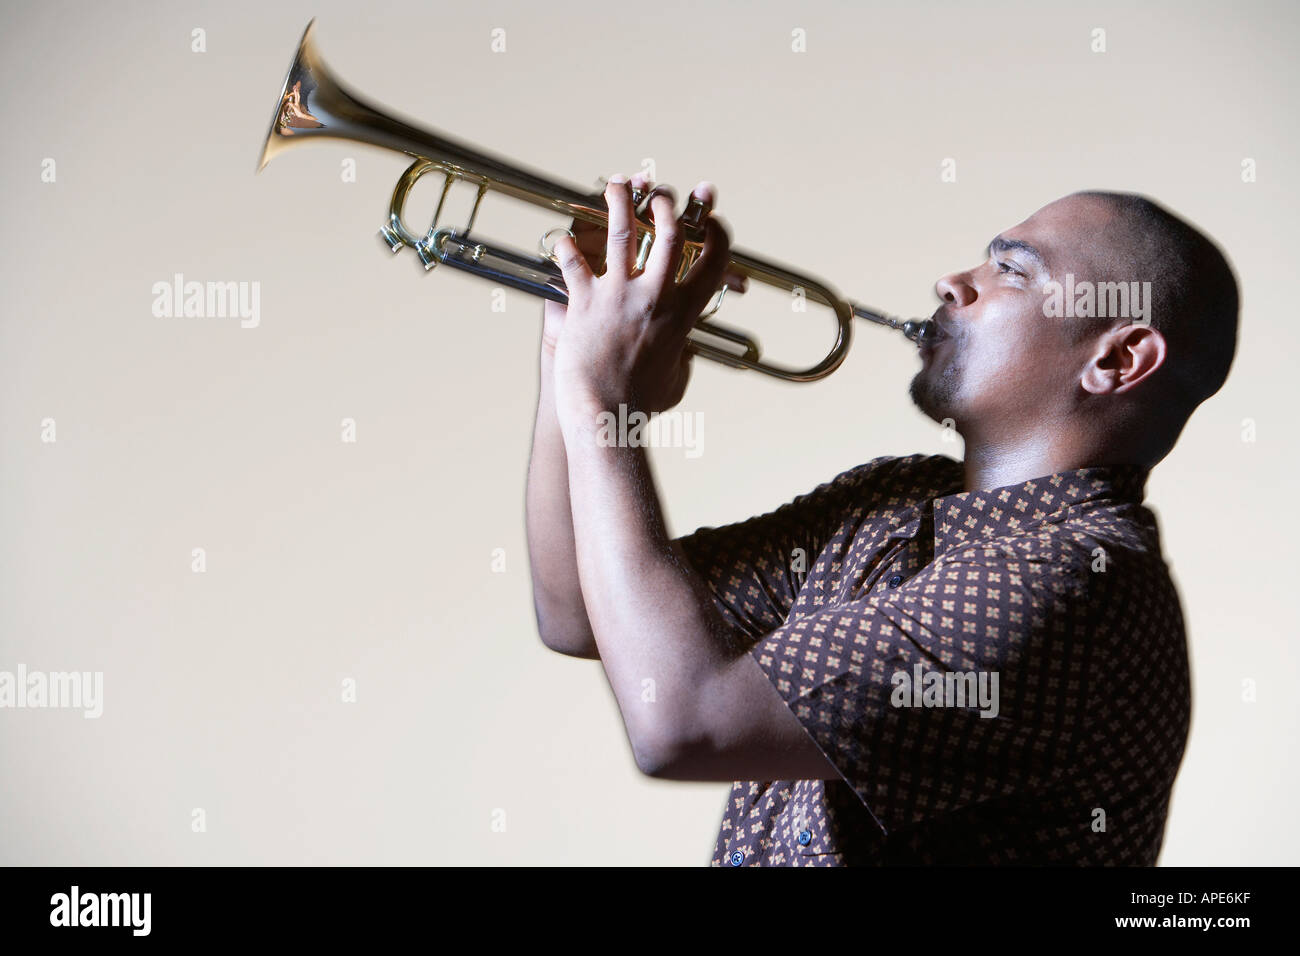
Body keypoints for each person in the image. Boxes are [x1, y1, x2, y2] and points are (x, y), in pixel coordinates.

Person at [524, 174, 1239, 865]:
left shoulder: (1083, 584)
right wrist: (571, 348)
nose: (952, 285)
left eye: (1012, 273)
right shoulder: (895, 498)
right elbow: (577, 614)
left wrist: (603, 402)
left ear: (1117, 358)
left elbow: (683, 721)